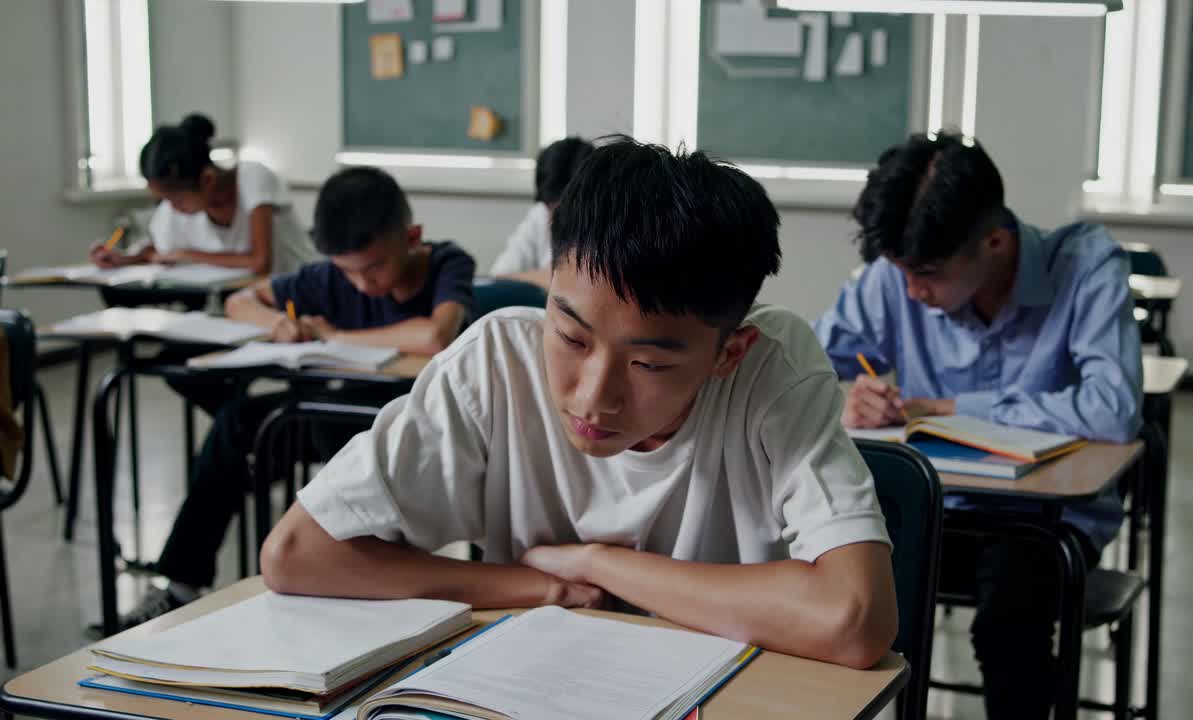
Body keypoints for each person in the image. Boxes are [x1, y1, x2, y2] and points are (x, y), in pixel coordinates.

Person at [259, 137, 898, 670]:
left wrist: (600, 563)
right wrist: (540, 587)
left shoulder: (772, 372)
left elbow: (853, 620)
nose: (593, 397)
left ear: (727, 353)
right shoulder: (497, 363)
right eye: (570, 337)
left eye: (648, 364)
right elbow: (296, 554)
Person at [813, 131, 1142, 718]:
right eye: (901, 272)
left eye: (928, 274)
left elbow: (1112, 409)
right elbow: (807, 360)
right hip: (936, 510)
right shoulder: (898, 276)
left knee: (1008, 625)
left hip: (1044, 522)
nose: (912, 291)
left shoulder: (1085, 267)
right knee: (829, 593)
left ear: (995, 241)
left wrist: (951, 407)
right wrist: (847, 403)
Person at [99, 166, 476, 633]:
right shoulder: (327, 277)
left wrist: (335, 335)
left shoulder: (446, 263)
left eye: (375, 267)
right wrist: (276, 323)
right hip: (333, 418)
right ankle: (180, 583)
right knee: (239, 423)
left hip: (416, 427)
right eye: (348, 272)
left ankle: (376, 587)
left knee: (341, 437)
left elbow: (436, 334)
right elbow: (240, 302)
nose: (362, 284)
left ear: (412, 237)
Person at [89, 113, 314, 276]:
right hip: (243, 300)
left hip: (298, 295)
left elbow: (260, 262)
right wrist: (123, 258)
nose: (172, 207)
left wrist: (188, 255)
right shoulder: (176, 209)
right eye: (165, 200)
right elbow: (160, 251)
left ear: (207, 179)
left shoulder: (252, 177)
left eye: (176, 199)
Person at [488, 137, 593, 289]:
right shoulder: (540, 214)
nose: (555, 221)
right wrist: (550, 276)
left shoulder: (610, 224)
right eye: (551, 209)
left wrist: (552, 276)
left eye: (566, 211)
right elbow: (498, 277)